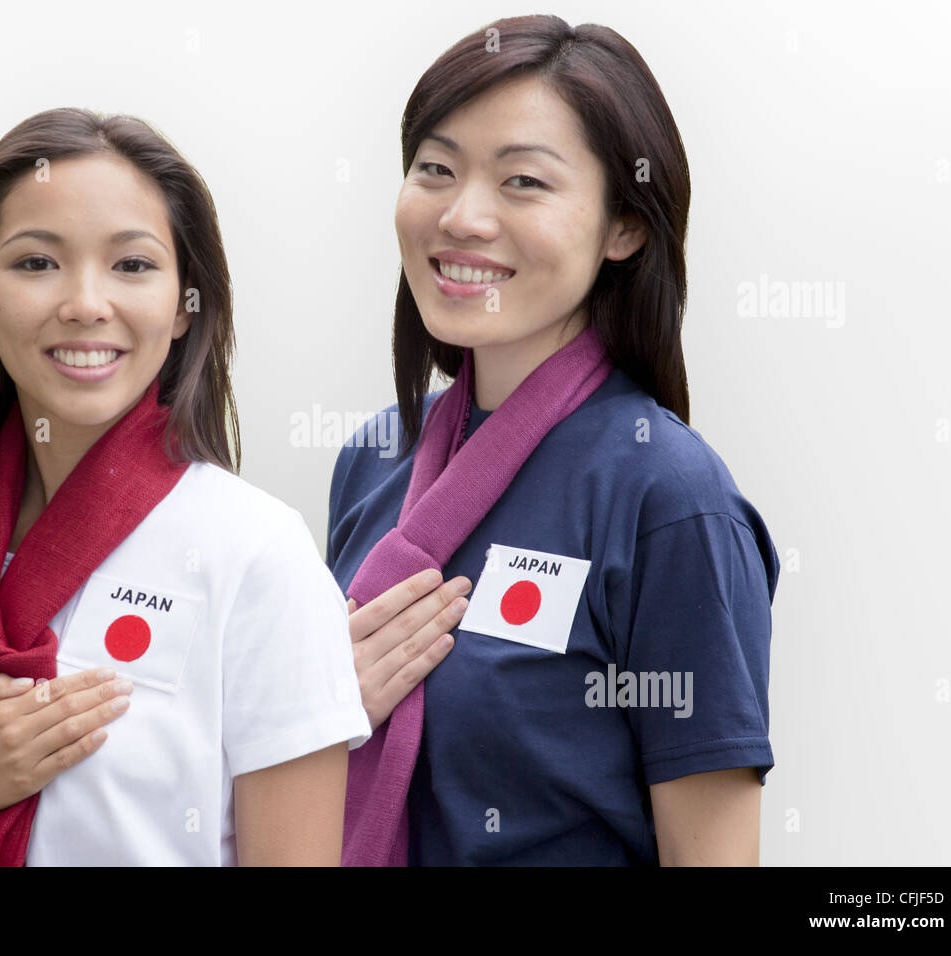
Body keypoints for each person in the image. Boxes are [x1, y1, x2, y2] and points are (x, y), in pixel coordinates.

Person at [0, 107, 371, 866]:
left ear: (185, 306)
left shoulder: (257, 555)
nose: (85, 303)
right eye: (37, 263)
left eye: (132, 265)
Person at [328, 15, 779, 866]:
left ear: (625, 228)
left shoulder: (668, 495)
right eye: (435, 168)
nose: (462, 216)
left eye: (523, 181)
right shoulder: (373, 460)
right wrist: (317, 707)